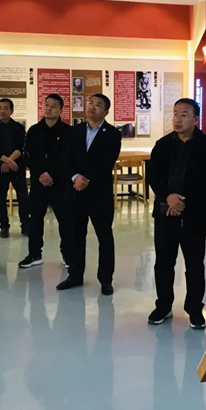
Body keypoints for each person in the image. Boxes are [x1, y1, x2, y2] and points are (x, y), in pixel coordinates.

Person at [147, 98, 206, 329]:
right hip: (165, 213)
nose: (178, 119)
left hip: (194, 214)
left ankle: (195, 309)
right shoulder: (162, 145)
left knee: (194, 264)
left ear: (195, 119)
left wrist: (181, 201)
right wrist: (168, 196)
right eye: (175, 114)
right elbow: (154, 176)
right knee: (164, 263)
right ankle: (163, 305)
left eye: (184, 115)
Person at [57, 94, 122, 295]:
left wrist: (86, 179)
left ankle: (106, 280)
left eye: (98, 105)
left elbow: (107, 162)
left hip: (99, 193)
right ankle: (75, 275)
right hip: (75, 191)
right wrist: (75, 177)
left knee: (104, 236)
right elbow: (65, 158)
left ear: (106, 112)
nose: (92, 107)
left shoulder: (113, 134)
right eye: (90, 103)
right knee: (76, 235)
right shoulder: (73, 131)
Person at [19, 94, 71, 268]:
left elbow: (67, 158)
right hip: (38, 183)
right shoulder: (34, 130)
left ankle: (67, 255)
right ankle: (34, 254)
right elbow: (28, 156)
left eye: (53, 106)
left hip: (60, 184)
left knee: (65, 220)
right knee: (35, 220)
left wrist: (52, 174)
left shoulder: (68, 132)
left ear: (61, 110)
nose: (49, 108)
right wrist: (41, 174)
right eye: (46, 105)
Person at [0, 98, 29, 238]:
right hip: (0, 168)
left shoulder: (18, 127)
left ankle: (26, 225)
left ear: (11, 111)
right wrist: (6, 161)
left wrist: (10, 161)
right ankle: (4, 226)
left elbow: (21, 147)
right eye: (0, 108)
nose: (3, 111)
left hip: (17, 167)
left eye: (6, 108)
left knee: (23, 197)